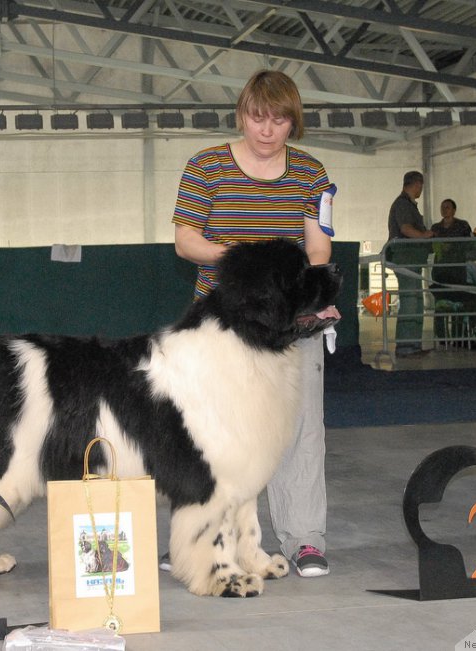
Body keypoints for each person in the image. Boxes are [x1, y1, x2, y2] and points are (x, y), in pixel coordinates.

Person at [171, 69, 339, 578]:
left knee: (300, 428)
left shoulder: (311, 172)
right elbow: (186, 241)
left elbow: (319, 246)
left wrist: (300, 292)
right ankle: (203, 537)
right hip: (220, 327)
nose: (267, 130)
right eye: (257, 117)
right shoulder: (206, 166)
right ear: (242, 115)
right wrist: (249, 269)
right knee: (209, 432)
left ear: (294, 123)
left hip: (289, 325)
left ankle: (304, 538)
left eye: (279, 120)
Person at [385, 171, 434, 358]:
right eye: (420, 186)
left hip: (411, 259)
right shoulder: (403, 204)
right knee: (410, 299)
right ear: (417, 184)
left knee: (415, 299)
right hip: (406, 258)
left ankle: (413, 344)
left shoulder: (406, 204)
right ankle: (406, 345)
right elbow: (405, 228)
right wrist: (424, 235)